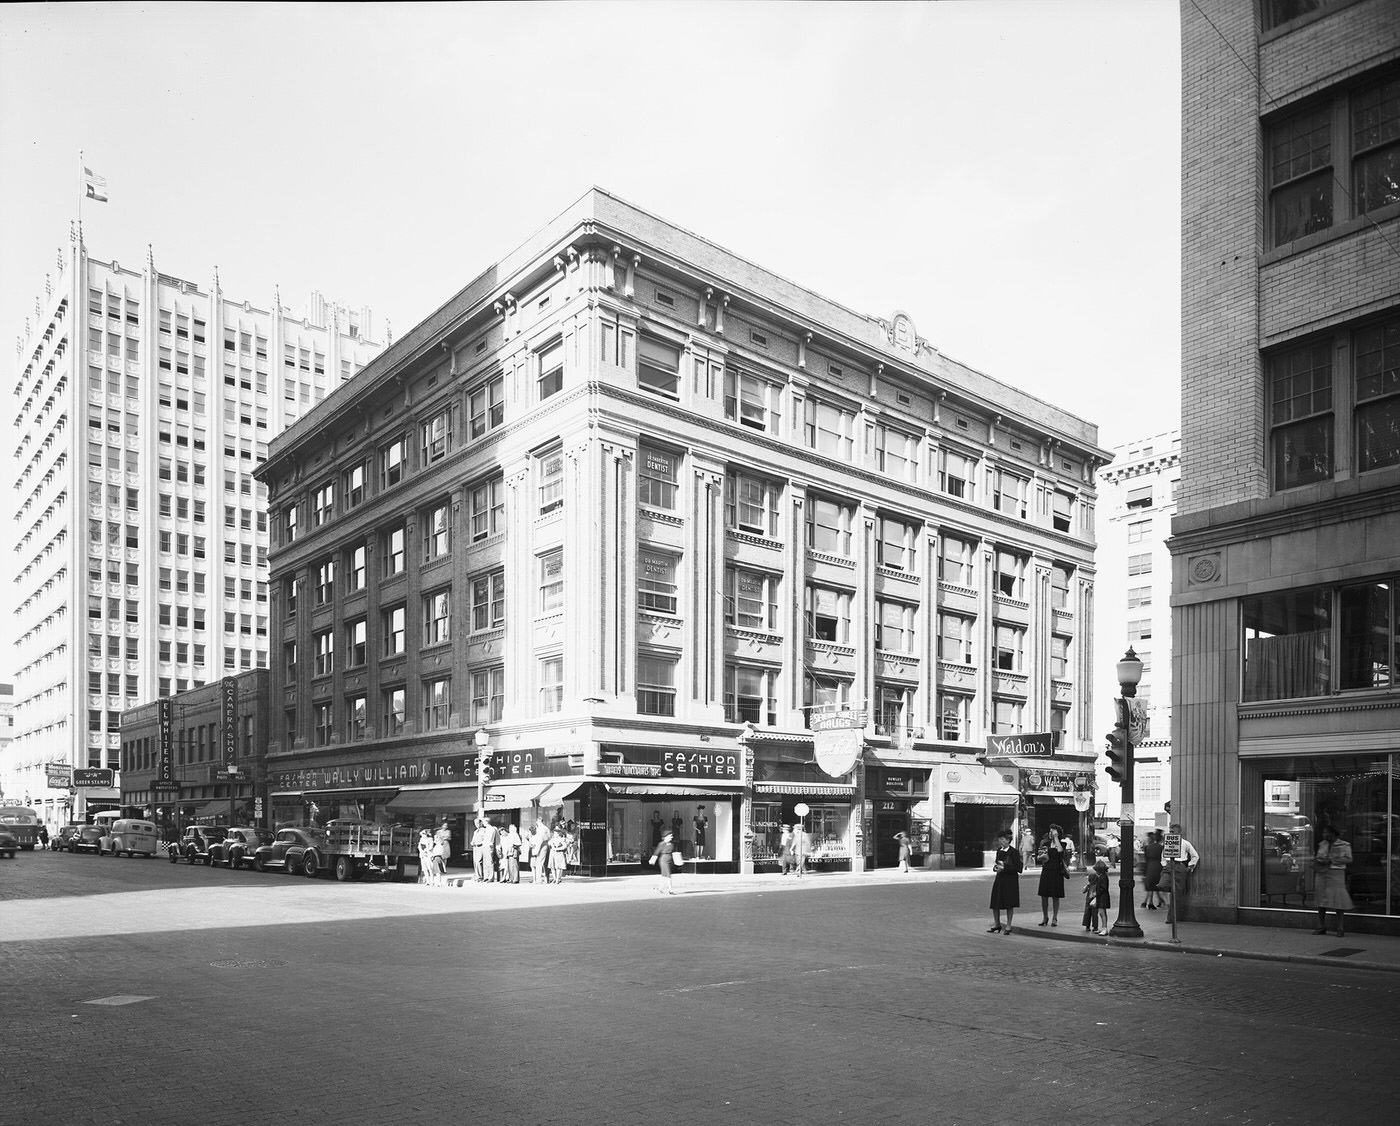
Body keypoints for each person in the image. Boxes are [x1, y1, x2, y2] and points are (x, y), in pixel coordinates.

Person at [1312, 824, 1354, 937]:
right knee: (1321, 900)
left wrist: (1332, 860)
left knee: (1338, 900)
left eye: (1326, 832)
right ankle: (1321, 926)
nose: (1324, 835)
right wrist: (1319, 860)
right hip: (1322, 873)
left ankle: (1340, 927)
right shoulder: (1322, 844)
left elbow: (1349, 859)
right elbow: (1318, 856)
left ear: (1332, 833)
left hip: (1336, 873)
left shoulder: (1344, 845)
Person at [1162, 821, 1200, 920]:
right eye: (1170, 831)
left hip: (1180, 866)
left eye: (1173, 831)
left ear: (1179, 833)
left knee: (1176, 895)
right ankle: (1171, 889)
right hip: (1169, 865)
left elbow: (1195, 856)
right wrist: (1164, 864)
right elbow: (1163, 855)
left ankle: (1171, 918)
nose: (1171, 833)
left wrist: (1189, 867)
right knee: (1162, 884)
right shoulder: (1167, 842)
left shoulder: (1186, 843)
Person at [987, 828, 1022, 933]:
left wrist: (1005, 868)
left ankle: (1008, 926)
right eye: (1000, 839)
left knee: (1009, 903)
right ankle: (997, 924)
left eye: (1002, 839)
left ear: (1008, 840)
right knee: (995, 902)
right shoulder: (999, 851)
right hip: (1000, 879)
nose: (1001, 841)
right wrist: (996, 868)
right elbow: (997, 863)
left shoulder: (1014, 852)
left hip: (1010, 880)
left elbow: (1018, 868)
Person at [1036, 824, 1069, 926]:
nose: (1051, 834)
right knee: (1044, 896)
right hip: (1046, 870)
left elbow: (1060, 851)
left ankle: (1055, 917)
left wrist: (1056, 838)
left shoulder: (1062, 843)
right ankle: (1045, 917)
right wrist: (1041, 856)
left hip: (1057, 871)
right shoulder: (1046, 843)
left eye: (1053, 832)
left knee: (1056, 896)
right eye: (1050, 832)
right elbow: (1039, 856)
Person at [1141, 830, 1165, 909]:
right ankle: (1155, 901)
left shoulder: (1147, 847)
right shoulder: (1161, 848)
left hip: (1150, 866)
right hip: (1158, 866)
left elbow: (1146, 858)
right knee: (1156, 884)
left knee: (1150, 884)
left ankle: (1150, 901)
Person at [1091, 858, 1112, 934]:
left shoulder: (1103, 877)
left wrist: (1096, 893)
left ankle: (1104, 927)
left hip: (1102, 897)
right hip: (1102, 897)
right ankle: (1103, 927)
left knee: (1102, 912)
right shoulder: (1103, 876)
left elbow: (1103, 888)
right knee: (1102, 912)